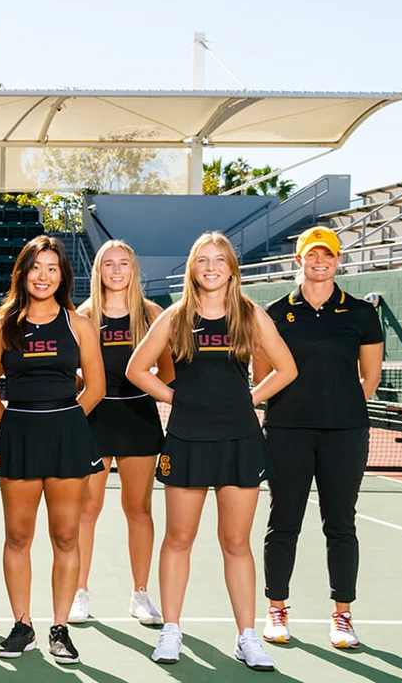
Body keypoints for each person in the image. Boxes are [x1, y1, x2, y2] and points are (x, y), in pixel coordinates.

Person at [126, 231, 296, 672]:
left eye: (220, 259)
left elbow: (287, 368)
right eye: (203, 260)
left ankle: (246, 637)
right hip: (186, 438)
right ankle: (171, 631)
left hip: (240, 440)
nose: (212, 267)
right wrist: (173, 397)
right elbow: (135, 369)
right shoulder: (177, 317)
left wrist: (250, 400)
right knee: (178, 539)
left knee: (236, 542)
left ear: (231, 268)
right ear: (192, 268)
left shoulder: (250, 315)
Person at [0, 235, 105, 665]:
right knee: (18, 536)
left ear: (63, 275)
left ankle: (60, 628)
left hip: (68, 439)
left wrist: (65, 421)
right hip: (20, 439)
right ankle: (23, 624)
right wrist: (13, 423)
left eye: (52, 268)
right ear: (22, 273)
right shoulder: (2, 325)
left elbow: (97, 388)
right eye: (35, 268)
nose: (43, 276)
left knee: (66, 536)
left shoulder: (78, 324)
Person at [256, 227, 382, 650]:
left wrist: (339, 408)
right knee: (283, 521)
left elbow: (371, 377)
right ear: (299, 261)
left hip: (345, 434)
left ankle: (342, 615)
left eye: (328, 255)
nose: (320, 261)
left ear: (338, 260)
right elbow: (261, 376)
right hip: (286, 431)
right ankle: (277, 609)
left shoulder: (362, 313)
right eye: (313, 255)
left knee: (341, 523)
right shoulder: (274, 312)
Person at [72, 240, 171, 626]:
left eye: (123, 263)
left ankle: (140, 595)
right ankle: (79, 591)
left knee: (138, 509)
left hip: (138, 418)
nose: (116, 270)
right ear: (98, 271)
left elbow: (168, 369)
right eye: (108, 264)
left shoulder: (152, 314)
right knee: (87, 509)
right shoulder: (83, 315)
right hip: (95, 418)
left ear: (134, 270)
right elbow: (76, 372)